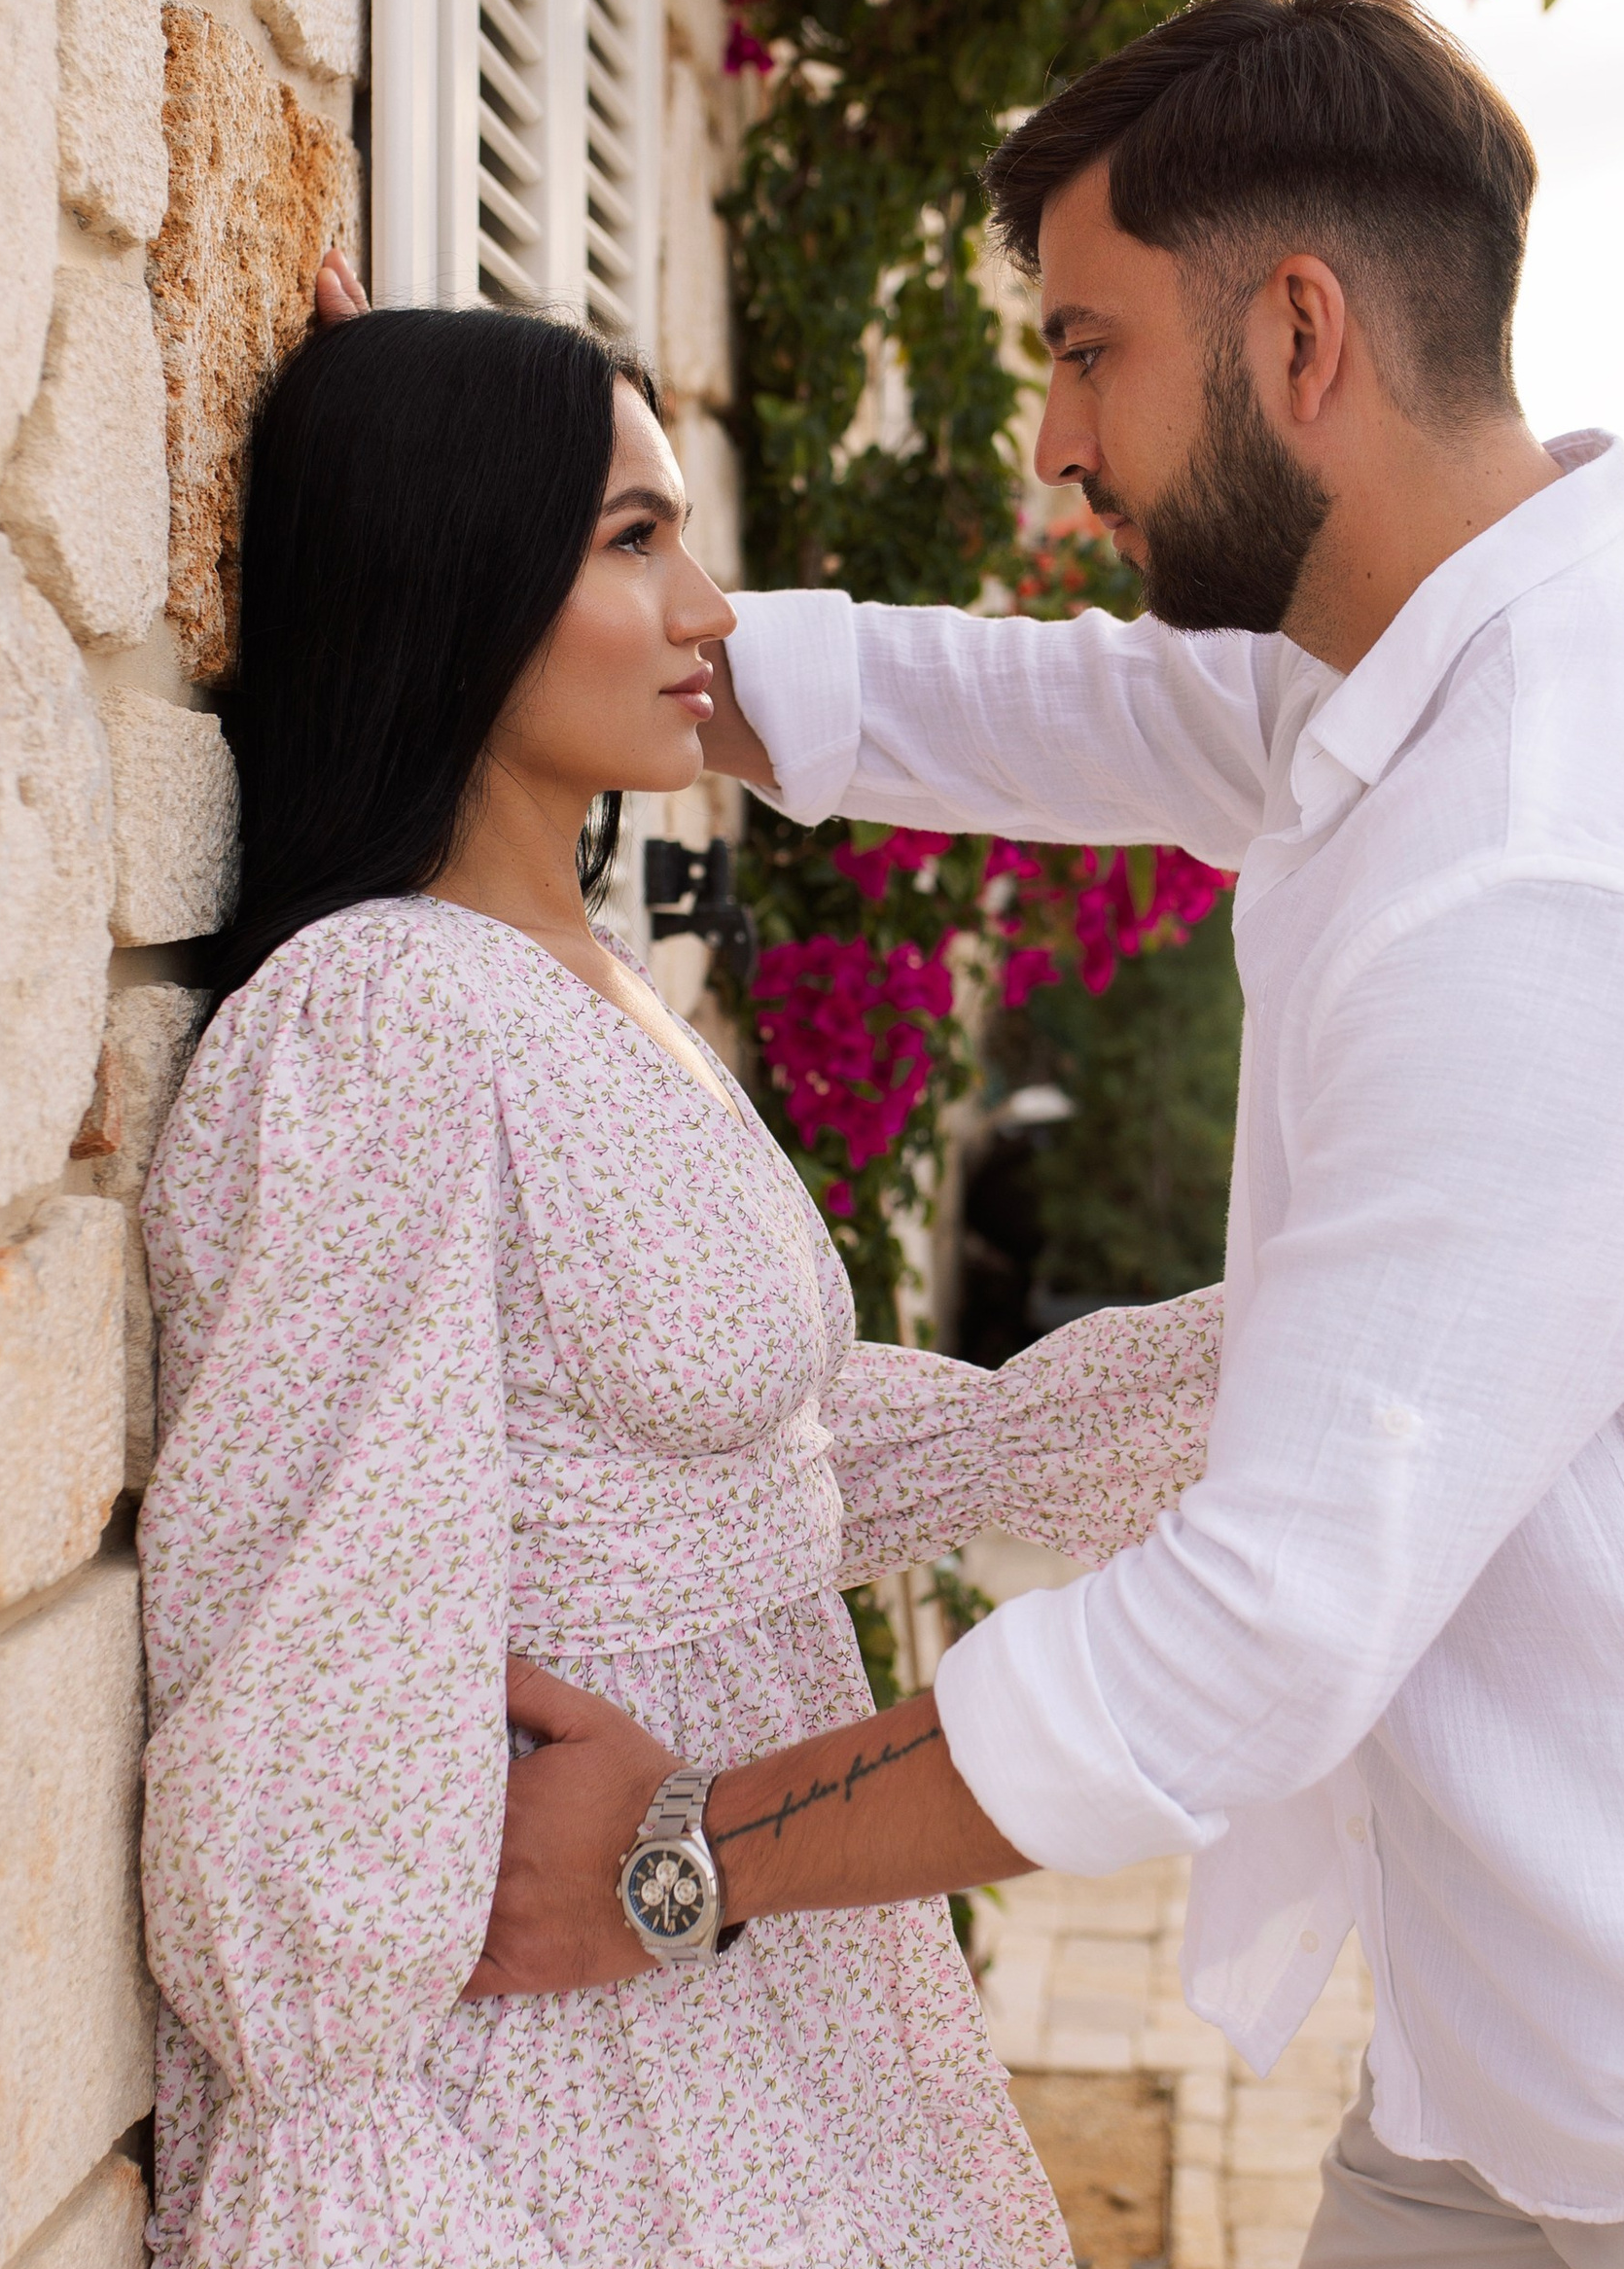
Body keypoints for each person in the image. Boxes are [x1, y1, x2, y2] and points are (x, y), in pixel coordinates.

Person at [463, 0, 1624, 2266]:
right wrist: (522, 570)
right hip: (1535, 2064)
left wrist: (683, 1856)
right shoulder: (1468, 666)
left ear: (1292, 337)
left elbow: (1247, 1635)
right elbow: (1092, 716)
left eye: (1083, 349)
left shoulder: (1562, 852)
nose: (1053, 437)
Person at [133, 299, 1221, 2265]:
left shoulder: (590, 990)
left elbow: (751, 1465)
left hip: (746, 1956)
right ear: (448, 567)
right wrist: (341, 2145)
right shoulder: (381, 1016)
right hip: (553, 2054)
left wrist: (1287, 1366)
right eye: (632, 540)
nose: (708, 606)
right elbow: (314, 1628)